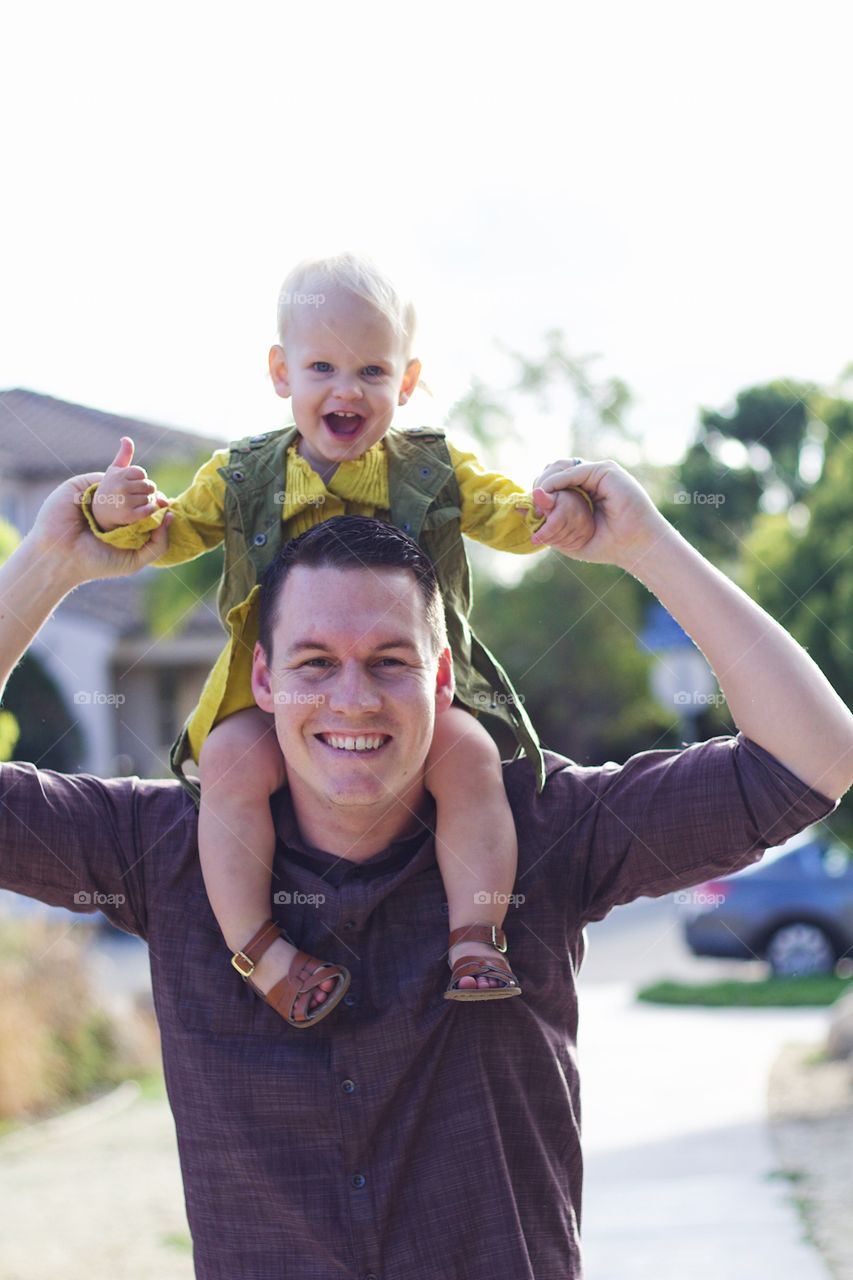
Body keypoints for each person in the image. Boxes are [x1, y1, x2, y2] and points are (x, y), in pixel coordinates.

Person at [1, 465, 851, 1280]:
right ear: (262, 679)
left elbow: (813, 759)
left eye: (389, 661)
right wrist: (47, 564)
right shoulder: (162, 851)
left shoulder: (542, 829)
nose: (353, 699)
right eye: (313, 663)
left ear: (443, 679)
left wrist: (646, 544)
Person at [77, 251, 597, 1026]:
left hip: (410, 692)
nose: (347, 390)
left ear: (407, 383)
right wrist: (112, 511)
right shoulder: (243, 476)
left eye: (372, 372)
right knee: (227, 761)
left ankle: (475, 938)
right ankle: (262, 951)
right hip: (284, 690)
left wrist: (552, 512)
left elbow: (505, 517)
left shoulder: (431, 469)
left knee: (472, 759)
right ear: (281, 372)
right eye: (322, 367)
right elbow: (170, 534)